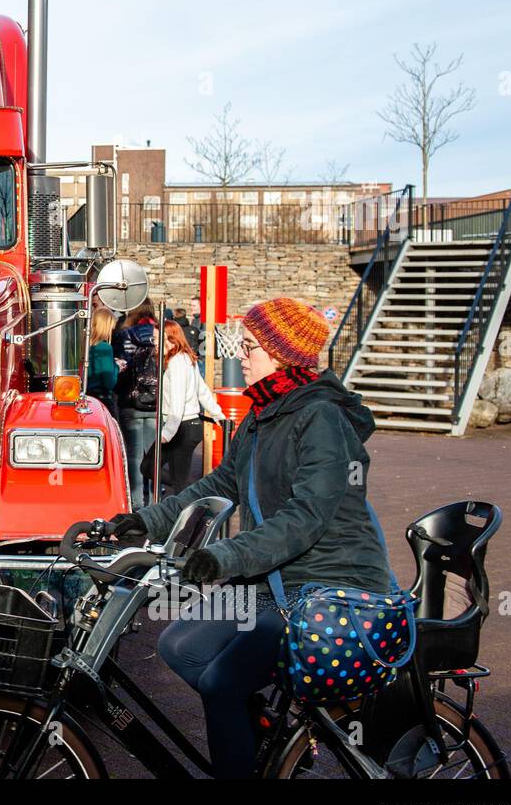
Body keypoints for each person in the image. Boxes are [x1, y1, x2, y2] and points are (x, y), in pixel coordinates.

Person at [100, 297, 394, 778]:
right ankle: (262, 732)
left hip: (326, 587)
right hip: (275, 579)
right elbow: (218, 485)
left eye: (252, 346)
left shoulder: (321, 417)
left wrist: (223, 557)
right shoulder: (263, 414)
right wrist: (144, 522)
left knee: (220, 683)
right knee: (179, 646)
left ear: (284, 356)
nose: (240, 355)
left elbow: (305, 517)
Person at [140, 320, 225, 499]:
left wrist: (168, 432)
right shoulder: (184, 358)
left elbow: (178, 401)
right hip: (185, 425)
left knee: (157, 470)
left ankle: (190, 499)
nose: (153, 341)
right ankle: (190, 493)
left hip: (181, 427)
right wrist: (216, 412)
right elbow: (201, 390)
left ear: (169, 338)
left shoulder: (178, 362)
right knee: (152, 468)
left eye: (157, 338)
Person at [111, 299, 159, 505]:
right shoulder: (160, 333)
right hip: (156, 400)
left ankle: (136, 501)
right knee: (152, 455)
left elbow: (120, 366)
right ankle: (153, 499)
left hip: (130, 400)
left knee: (133, 455)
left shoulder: (124, 335)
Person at [86, 308, 120, 425]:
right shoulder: (105, 348)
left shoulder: (84, 346)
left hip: (87, 398)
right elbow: (109, 382)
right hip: (103, 400)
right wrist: (117, 368)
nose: (113, 329)